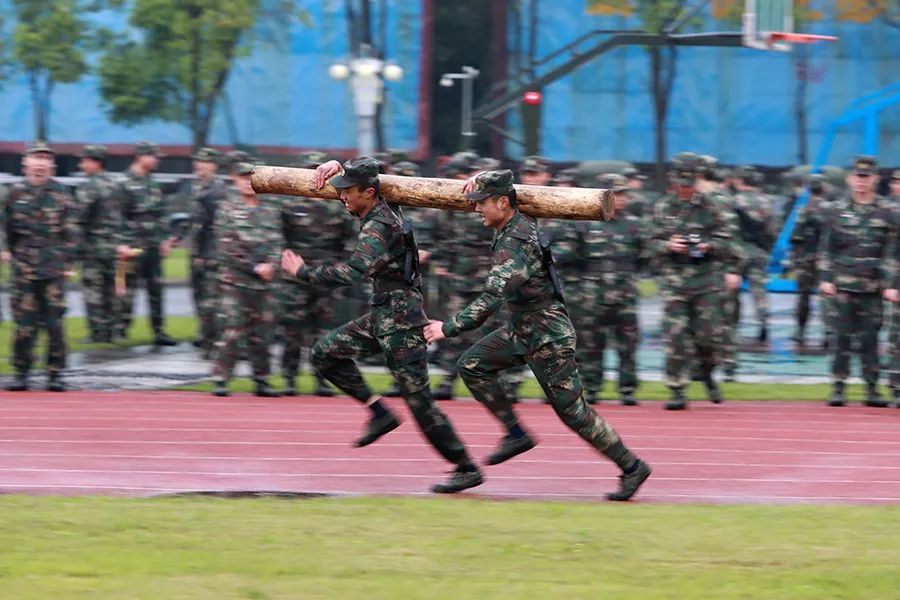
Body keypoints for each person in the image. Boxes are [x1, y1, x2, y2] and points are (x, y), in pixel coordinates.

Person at [423, 169, 652, 501]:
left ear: (503, 203)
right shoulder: (517, 221)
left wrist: (447, 327)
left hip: (548, 335)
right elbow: (514, 188)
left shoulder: (515, 242)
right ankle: (516, 434)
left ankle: (632, 467)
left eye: (482, 203)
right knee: (473, 365)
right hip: (523, 329)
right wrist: (482, 178)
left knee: (574, 413)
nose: (476, 210)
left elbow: (491, 299)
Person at [281, 156, 484, 494]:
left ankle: (465, 467)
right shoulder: (380, 207)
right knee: (324, 354)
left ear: (370, 192)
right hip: (383, 313)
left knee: (419, 402)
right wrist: (338, 165)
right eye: (341, 191)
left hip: (402, 320)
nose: (342, 196)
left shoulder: (379, 226)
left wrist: (303, 273)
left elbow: (352, 272)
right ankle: (379, 413)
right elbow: (369, 167)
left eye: (348, 191)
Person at [649, 152, 744, 409]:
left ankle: (708, 374)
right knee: (676, 335)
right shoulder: (662, 207)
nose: (685, 188)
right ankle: (677, 389)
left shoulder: (713, 206)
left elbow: (730, 242)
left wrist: (708, 245)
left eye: (689, 182)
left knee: (708, 337)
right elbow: (648, 243)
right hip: (675, 282)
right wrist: (667, 244)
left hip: (707, 280)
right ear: (673, 179)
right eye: (681, 182)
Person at [819, 156, 897, 407]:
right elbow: (825, 248)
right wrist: (825, 278)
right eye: (858, 177)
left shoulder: (888, 211)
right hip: (842, 285)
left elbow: (892, 250)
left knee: (870, 339)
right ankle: (838, 387)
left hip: (872, 286)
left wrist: (891, 283)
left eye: (867, 177)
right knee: (841, 337)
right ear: (850, 179)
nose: (862, 182)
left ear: (875, 179)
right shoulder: (836, 209)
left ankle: (872, 389)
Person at [4, 143, 79, 391]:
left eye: (45, 159)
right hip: (24, 267)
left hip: (53, 267)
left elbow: (72, 231)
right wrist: (5, 249)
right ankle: (21, 372)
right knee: (24, 324)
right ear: (25, 163)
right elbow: (4, 227)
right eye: (36, 158)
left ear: (52, 166)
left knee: (54, 324)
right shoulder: (14, 193)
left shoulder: (62, 194)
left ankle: (55, 374)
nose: (40, 163)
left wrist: (69, 261)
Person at [277, 151, 350, 396]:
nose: (317, 175)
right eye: (311, 170)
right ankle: (289, 378)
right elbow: (280, 237)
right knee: (293, 329)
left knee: (324, 332)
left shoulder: (339, 203)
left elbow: (348, 239)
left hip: (326, 275)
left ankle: (321, 379)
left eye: (320, 170)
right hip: (295, 276)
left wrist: (342, 266)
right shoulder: (290, 203)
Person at [210, 162, 281, 397]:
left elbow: (277, 241)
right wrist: (254, 266)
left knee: (263, 334)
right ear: (233, 179)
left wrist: (271, 264)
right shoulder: (227, 209)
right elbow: (226, 246)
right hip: (235, 281)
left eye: (250, 178)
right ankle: (221, 378)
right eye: (242, 178)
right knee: (232, 330)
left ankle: (261, 379)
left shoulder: (269, 209)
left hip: (264, 283)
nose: (247, 183)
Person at [578, 174, 647, 405]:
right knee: (591, 345)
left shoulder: (635, 225)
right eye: (617, 193)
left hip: (625, 293)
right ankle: (592, 388)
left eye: (624, 193)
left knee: (628, 345)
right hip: (593, 293)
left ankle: (627, 390)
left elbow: (645, 257)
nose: (622, 198)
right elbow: (572, 256)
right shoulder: (585, 223)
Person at [168, 147, 228, 356]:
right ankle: (205, 336)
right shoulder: (197, 188)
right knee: (198, 297)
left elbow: (220, 227)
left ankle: (214, 342)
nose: (199, 165)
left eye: (204, 162)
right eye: (198, 162)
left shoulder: (219, 191)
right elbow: (192, 220)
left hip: (211, 255)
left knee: (212, 300)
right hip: (196, 253)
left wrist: (211, 254)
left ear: (214, 165)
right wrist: (175, 238)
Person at [118, 141, 177, 346]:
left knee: (156, 290)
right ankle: (120, 330)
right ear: (141, 156)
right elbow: (117, 217)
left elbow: (162, 215)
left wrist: (165, 240)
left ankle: (159, 331)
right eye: (153, 156)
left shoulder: (154, 184)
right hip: (132, 246)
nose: (156, 160)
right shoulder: (123, 183)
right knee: (127, 290)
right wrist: (121, 243)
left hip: (152, 246)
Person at [76, 144, 123, 344]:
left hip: (93, 246)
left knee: (93, 288)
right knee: (111, 289)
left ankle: (97, 331)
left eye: (85, 161)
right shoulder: (116, 185)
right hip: (114, 245)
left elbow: (78, 216)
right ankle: (111, 330)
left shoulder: (89, 186)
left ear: (95, 162)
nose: (81, 165)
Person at [790, 173, 836, 348]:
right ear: (824, 188)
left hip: (805, 260)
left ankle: (800, 332)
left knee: (803, 297)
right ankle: (828, 333)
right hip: (824, 260)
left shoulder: (803, 210)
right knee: (827, 297)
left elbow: (795, 238)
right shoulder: (831, 209)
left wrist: (797, 259)